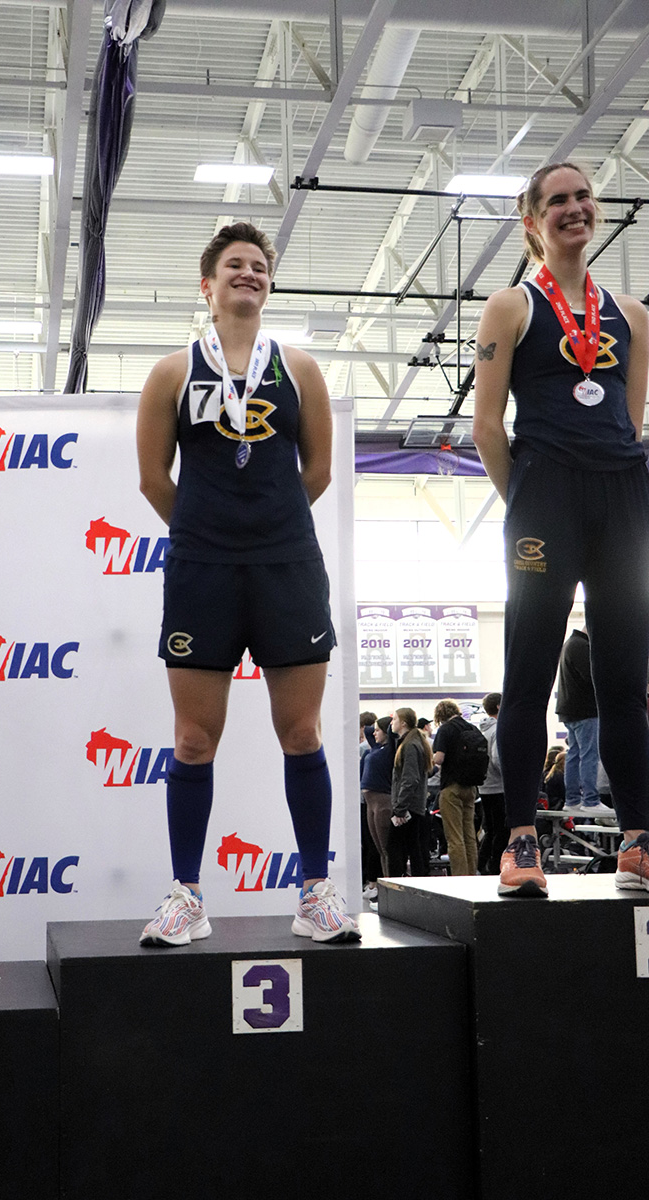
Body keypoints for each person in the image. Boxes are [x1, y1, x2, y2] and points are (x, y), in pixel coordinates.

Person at [136, 222, 359, 945]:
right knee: (194, 739)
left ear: (268, 284)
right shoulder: (172, 372)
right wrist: (208, 533)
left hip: (287, 567)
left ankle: (317, 894)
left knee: (301, 732)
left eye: (259, 266)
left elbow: (317, 473)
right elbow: (152, 480)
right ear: (208, 284)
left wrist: (267, 531)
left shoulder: (300, 368)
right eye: (235, 265)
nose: (249, 274)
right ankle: (186, 897)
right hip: (202, 571)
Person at [473, 160, 649, 897]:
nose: (574, 208)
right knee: (530, 672)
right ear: (533, 222)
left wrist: (612, 494)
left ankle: (638, 840)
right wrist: (529, 504)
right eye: (557, 201)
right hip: (543, 497)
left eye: (582, 197)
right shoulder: (511, 306)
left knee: (624, 680)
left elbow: (631, 420)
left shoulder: (633, 315)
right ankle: (520, 844)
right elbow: (486, 427)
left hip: (623, 496)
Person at [556, 626, 603, 812]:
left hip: (570, 709)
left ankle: (572, 799)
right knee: (589, 755)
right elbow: (592, 678)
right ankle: (591, 800)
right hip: (585, 710)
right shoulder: (582, 647)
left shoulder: (570, 644)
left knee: (575, 755)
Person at [432, 698, 479, 876]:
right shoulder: (471, 728)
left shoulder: (446, 729)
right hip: (471, 787)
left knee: (454, 837)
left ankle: (460, 877)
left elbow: (439, 759)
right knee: (469, 835)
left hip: (451, 787)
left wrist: (430, 761)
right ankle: (471, 873)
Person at [388, 708, 433, 877]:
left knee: (395, 849)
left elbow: (410, 779)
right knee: (414, 849)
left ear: (403, 723)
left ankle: (396, 890)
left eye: (395, 720)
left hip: (408, 807)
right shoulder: (413, 742)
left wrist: (400, 808)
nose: (392, 723)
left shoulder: (410, 745)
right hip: (412, 806)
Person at [361, 715, 396, 886]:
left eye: (378, 730)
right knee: (378, 847)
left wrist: (392, 721)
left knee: (386, 847)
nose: (373, 733)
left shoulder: (390, 749)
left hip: (383, 800)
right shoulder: (375, 748)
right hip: (370, 802)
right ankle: (384, 886)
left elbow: (391, 732)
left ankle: (390, 884)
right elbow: (367, 729)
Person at [477, 692, 508, 875]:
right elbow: (498, 759)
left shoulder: (484, 729)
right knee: (501, 830)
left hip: (484, 786)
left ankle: (481, 865)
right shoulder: (498, 730)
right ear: (498, 706)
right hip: (499, 786)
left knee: (490, 829)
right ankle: (495, 866)